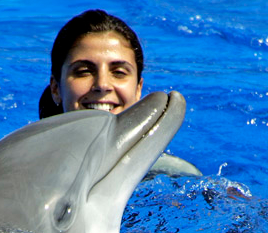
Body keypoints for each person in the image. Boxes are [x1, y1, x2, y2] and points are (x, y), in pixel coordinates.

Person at [39, 9, 201, 177]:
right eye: (84, 71)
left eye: (119, 72)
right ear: (55, 88)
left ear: (138, 89)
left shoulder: (170, 172)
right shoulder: (32, 166)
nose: (102, 85)